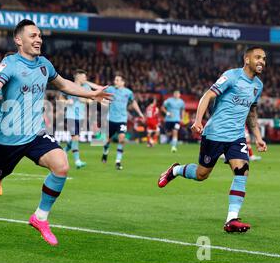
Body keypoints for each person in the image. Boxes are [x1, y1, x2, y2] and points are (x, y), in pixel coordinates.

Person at [0, 19, 111, 247]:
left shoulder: (44, 64)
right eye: (33, 36)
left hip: (35, 134)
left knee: (61, 165)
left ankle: (40, 217)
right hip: (9, 137)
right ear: (18, 40)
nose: (38, 40)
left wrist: (91, 95)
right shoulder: (10, 64)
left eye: (40, 36)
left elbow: (63, 84)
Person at [158, 46, 268, 233]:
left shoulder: (258, 85)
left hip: (236, 137)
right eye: (257, 57)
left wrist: (258, 137)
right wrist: (198, 120)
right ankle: (175, 170)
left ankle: (232, 219)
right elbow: (208, 95)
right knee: (202, 174)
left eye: (264, 59)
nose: (262, 62)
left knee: (242, 171)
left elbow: (252, 111)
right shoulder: (231, 76)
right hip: (215, 134)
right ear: (247, 59)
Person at [101, 73, 145, 170]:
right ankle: (105, 153)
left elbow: (133, 102)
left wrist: (140, 113)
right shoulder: (111, 89)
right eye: (115, 80)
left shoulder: (128, 92)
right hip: (111, 119)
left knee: (121, 139)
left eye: (117, 80)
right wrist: (103, 100)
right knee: (107, 140)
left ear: (122, 82)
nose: (115, 81)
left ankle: (118, 161)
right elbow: (99, 91)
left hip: (122, 120)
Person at [62, 69, 93, 169]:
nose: (85, 79)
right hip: (71, 115)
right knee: (75, 137)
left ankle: (64, 152)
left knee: (75, 138)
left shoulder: (86, 87)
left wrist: (85, 100)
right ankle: (77, 161)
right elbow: (60, 98)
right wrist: (66, 102)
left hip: (81, 116)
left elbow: (91, 100)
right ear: (77, 76)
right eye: (84, 77)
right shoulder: (69, 85)